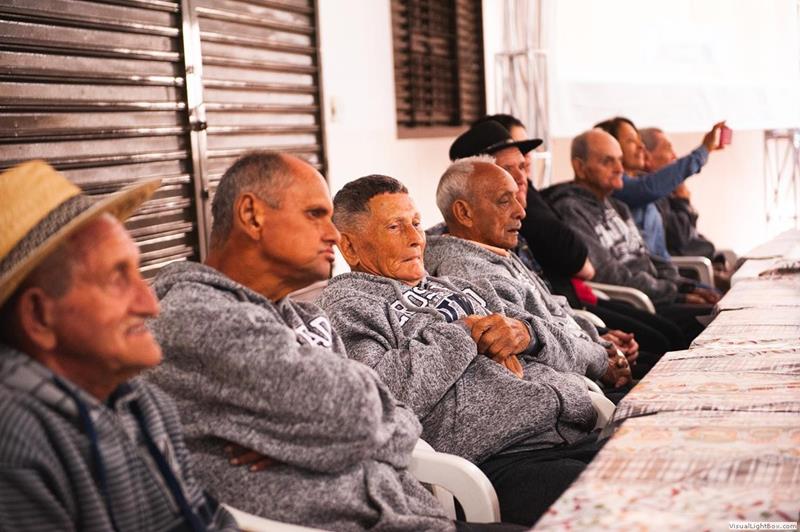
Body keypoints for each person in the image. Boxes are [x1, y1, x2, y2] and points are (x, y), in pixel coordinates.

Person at [145, 152, 520, 532]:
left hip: (410, 516)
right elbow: (360, 415)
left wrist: (310, 441)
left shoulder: (306, 317)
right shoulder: (202, 315)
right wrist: (337, 432)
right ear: (252, 215)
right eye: (314, 215)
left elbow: (396, 417)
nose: (332, 235)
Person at [318, 174, 611, 526]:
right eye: (395, 227)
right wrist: (462, 333)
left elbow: (546, 329)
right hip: (500, 458)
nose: (415, 238)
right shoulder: (348, 305)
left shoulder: (456, 287)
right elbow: (384, 396)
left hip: (575, 426)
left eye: (416, 223)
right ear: (349, 247)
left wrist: (529, 335)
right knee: (622, 506)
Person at [0, 161, 236, 530]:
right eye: (116, 278)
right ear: (38, 316)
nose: (151, 304)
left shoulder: (142, 403)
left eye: (137, 272)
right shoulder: (15, 440)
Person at [424, 156, 652, 384]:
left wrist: (601, 342)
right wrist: (600, 359)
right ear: (464, 213)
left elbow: (555, 312)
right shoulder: (469, 271)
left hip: (584, 358)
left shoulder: (494, 249)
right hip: (576, 384)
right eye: (504, 201)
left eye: (516, 197)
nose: (520, 211)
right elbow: (536, 346)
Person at [464, 115, 677, 354]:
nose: (521, 179)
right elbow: (531, 324)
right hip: (562, 345)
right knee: (662, 344)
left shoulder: (517, 227)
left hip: (570, 324)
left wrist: (594, 338)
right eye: (506, 170)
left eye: (523, 166)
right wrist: (595, 347)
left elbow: (551, 304)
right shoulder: (478, 249)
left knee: (661, 342)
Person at [543, 129, 716, 345]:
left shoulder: (618, 205)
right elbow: (609, 274)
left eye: (619, 160)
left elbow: (647, 257)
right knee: (709, 321)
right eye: (608, 161)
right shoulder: (570, 210)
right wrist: (676, 294)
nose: (619, 168)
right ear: (580, 167)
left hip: (656, 293)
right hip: (633, 301)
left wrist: (685, 286)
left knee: (718, 306)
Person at [595, 116, 725, 260]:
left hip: (662, 269)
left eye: (640, 140)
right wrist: (703, 151)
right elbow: (679, 236)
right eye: (631, 141)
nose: (641, 146)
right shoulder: (618, 187)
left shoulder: (646, 187)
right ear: (611, 147)